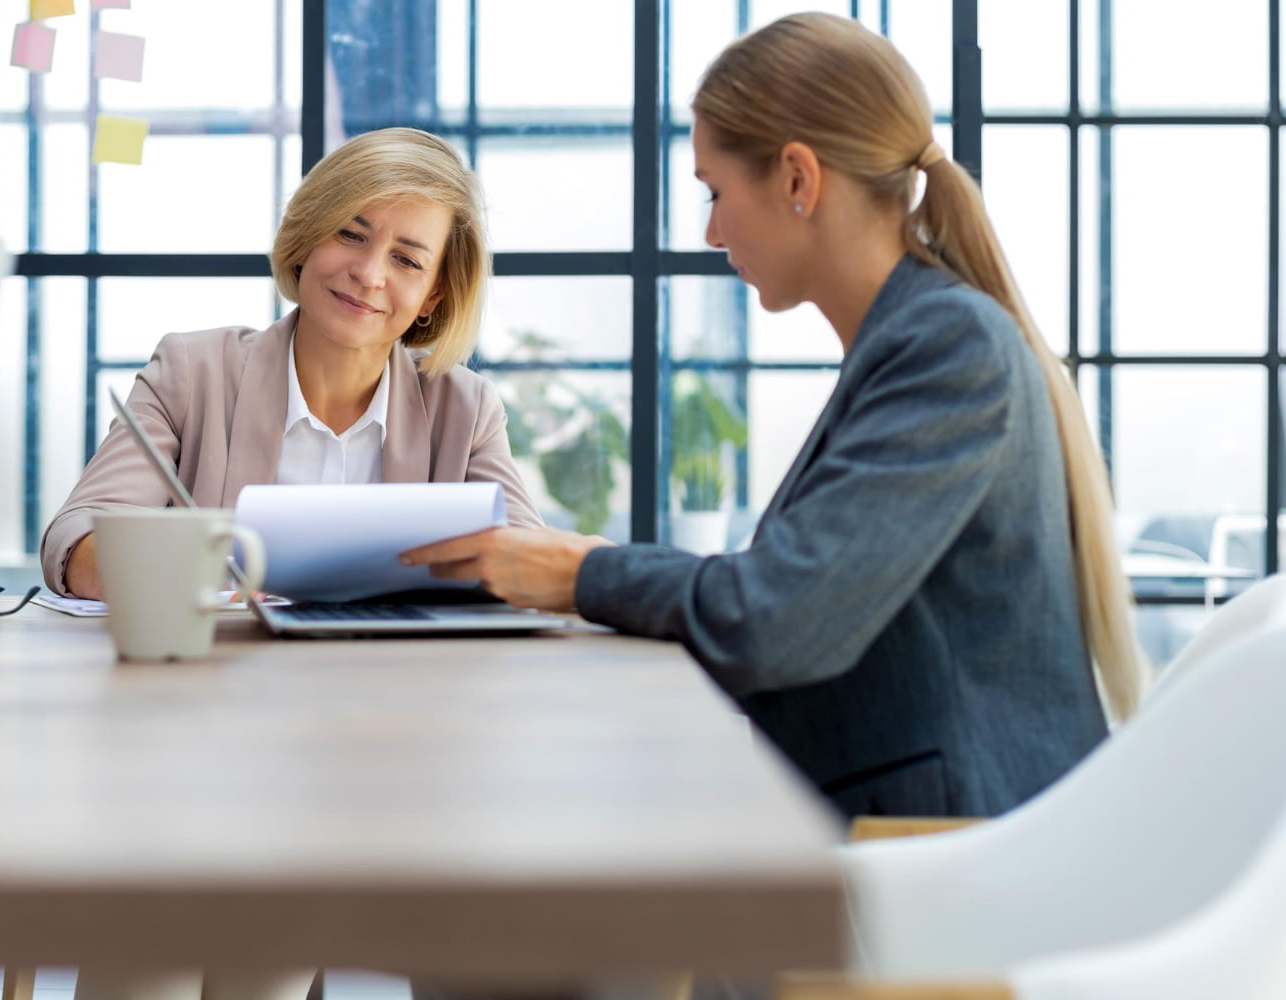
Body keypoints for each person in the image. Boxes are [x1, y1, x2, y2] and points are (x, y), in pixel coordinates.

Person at [402, 12, 1149, 820]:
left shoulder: (947, 347)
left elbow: (774, 622)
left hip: (949, 853)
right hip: (919, 828)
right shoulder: (920, 339)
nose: (712, 230)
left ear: (798, 178)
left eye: (717, 192)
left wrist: (579, 572)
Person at [41, 127, 542, 600]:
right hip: (217, 676)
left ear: (433, 296)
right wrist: (204, 579)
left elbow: (533, 564)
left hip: (399, 680)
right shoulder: (192, 373)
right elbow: (76, 540)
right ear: (307, 239)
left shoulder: (465, 407)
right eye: (350, 234)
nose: (368, 274)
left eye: (406, 261)